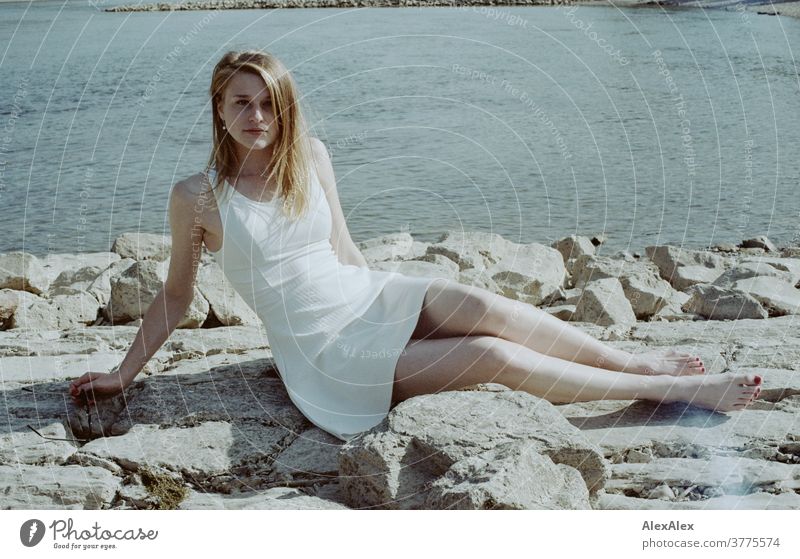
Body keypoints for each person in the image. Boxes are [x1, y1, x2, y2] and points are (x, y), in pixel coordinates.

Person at [69, 49, 761, 442]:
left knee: (483, 303)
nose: (259, 117)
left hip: (368, 299)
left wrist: (395, 311)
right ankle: (674, 388)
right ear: (219, 107)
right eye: (243, 102)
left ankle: (635, 359)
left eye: (271, 102)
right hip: (323, 352)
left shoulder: (311, 154)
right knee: (489, 356)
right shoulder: (196, 197)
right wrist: (124, 373)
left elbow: (343, 248)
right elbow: (178, 295)